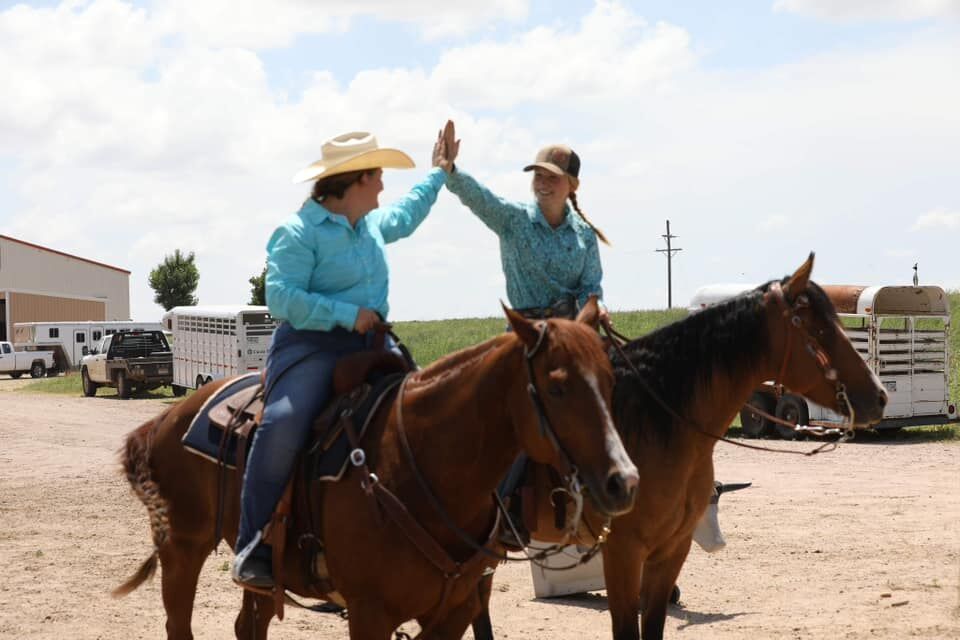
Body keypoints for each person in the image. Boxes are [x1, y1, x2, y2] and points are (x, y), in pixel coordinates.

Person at [232, 124, 457, 589]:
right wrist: (347, 314)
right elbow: (281, 299)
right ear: (358, 179)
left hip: (372, 344)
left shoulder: (369, 224)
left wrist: (440, 172)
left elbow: (407, 215)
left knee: (429, 413)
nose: (383, 185)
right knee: (283, 423)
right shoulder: (298, 232)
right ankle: (252, 546)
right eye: (378, 175)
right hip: (311, 346)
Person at [442, 125, 610, 546]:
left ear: (572, 185)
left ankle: (621, 483)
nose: (542, 182)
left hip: (570, 337)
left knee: (614, 387)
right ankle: (504, 509)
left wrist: (593, 313)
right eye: (538, 174)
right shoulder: (514, 220)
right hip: (525, 338)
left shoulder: (584, 235)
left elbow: (592, 288)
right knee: (517, 414)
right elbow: (480, 199)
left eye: (552, 176)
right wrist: (451, 171)